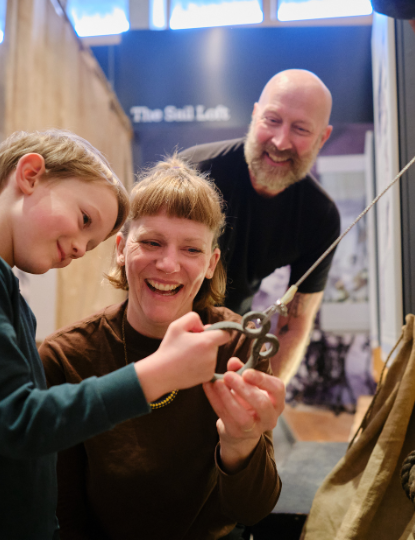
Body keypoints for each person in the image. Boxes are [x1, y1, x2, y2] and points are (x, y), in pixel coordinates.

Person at [0, 130, 230, 539]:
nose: (79, 248)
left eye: (90, 243)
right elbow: (19, 420)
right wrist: (158, 373)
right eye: (85, 220)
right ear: (30, 174)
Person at [39, 158, 285, 540]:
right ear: (121, 249)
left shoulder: (237, 344)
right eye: (151, 243)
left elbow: (252, 510)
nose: (169, 264)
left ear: (210, 263)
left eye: (191, 249)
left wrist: (241, 443)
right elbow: (62, 513)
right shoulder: (65, 357)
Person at [180, 69, 341, 384]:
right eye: (272, 120)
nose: (281, 142)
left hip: (230, 342)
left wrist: (266, 397)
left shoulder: (320, 217)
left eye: (301, 129)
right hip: (160, 333)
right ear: (255, 115)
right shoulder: (191, 173)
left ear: (322, 137)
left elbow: (293, 322)